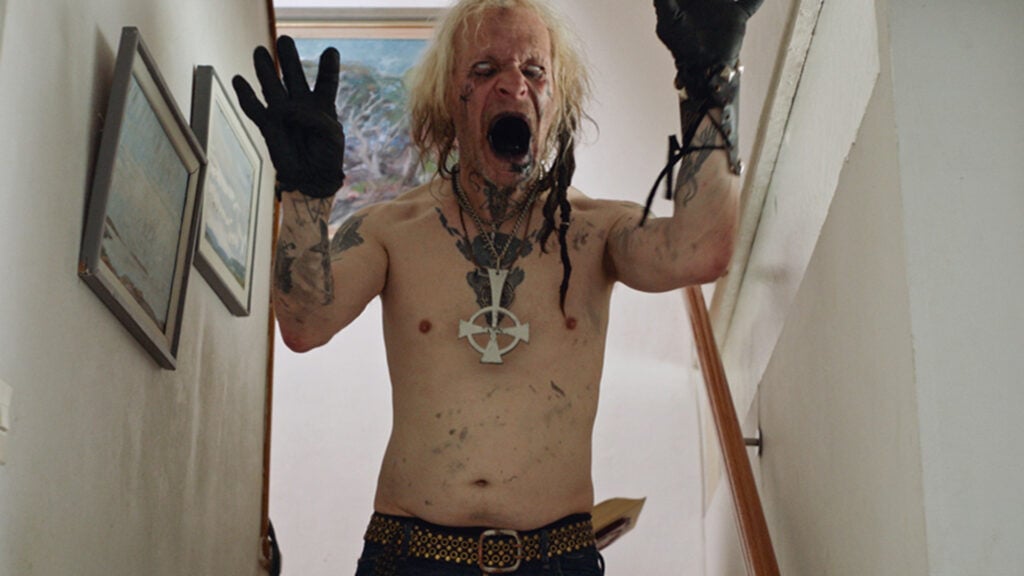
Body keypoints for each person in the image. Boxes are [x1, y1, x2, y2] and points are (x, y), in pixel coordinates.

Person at [233, 0, 761, 573]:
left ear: (556, 100)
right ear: (448, 98)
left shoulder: (595, 230)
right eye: (485, 71)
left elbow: (701, 251)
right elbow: (305, 325)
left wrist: (711, 86)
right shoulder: (391, 229)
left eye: (534, 71)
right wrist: (305, 196)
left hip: (557, 557)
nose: (513, 85)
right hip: (410, 556)